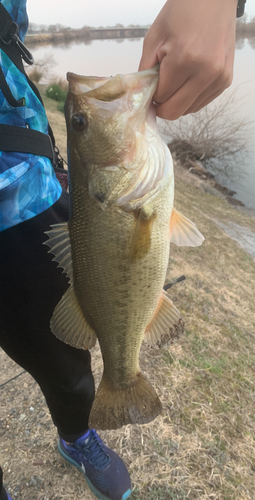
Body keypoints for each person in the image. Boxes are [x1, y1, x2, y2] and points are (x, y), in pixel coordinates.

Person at [0, 0, 245, 499]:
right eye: (82, 123)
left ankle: (78, 433)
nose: (82, 107)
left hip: (15, 186)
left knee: (64, 367)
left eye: (80, 122)